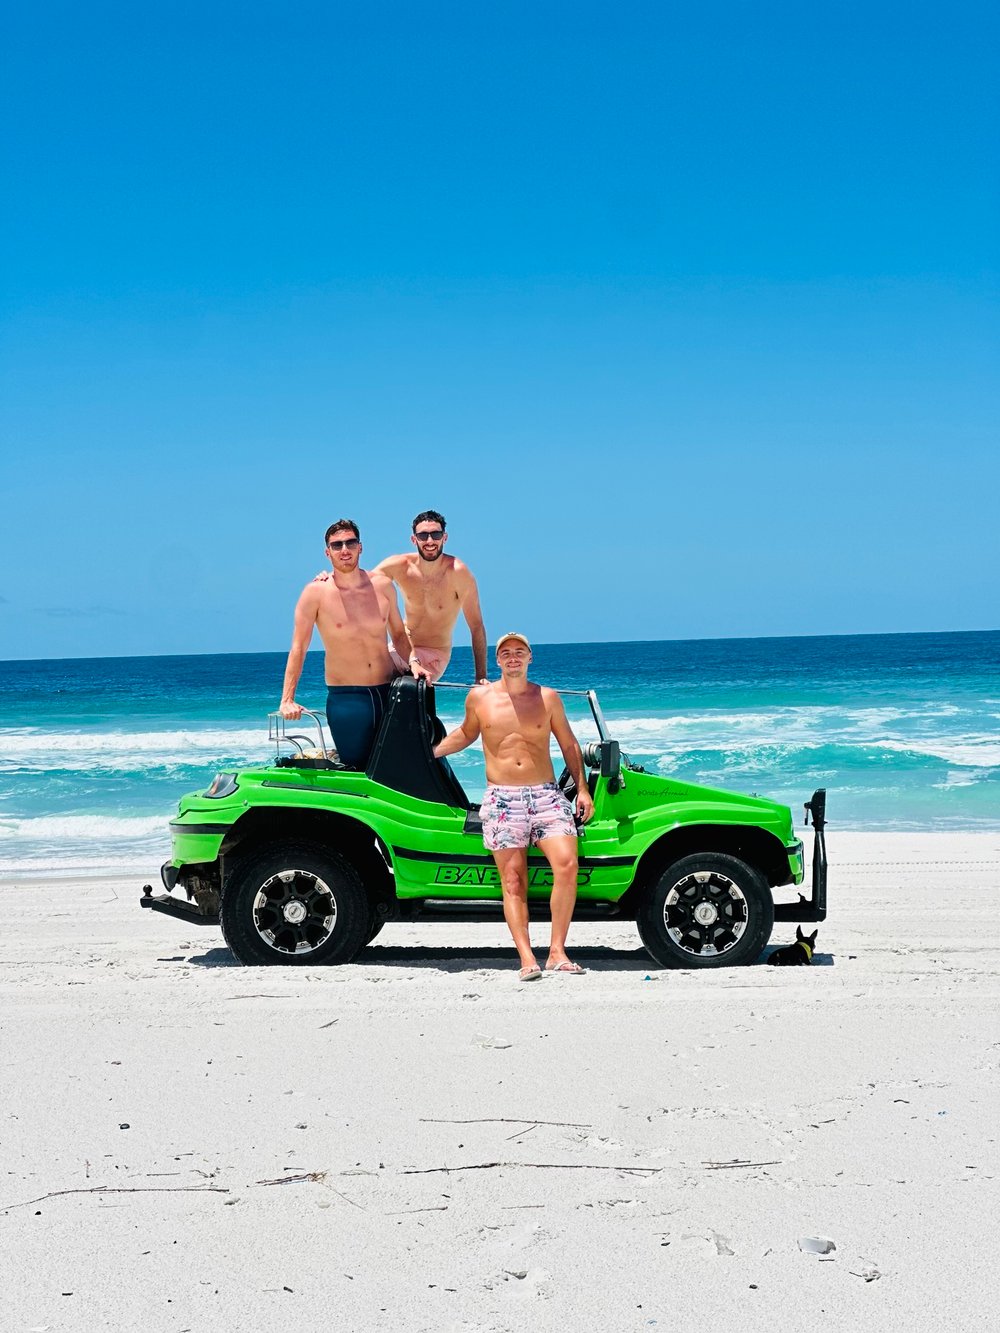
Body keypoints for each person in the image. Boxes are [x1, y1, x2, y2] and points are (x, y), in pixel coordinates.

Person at [433, 632, 594, 980]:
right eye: (506, 653)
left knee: (567, 865)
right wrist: (429, 753)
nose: (513, 657)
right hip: (503, 798)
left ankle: (557, 953)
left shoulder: (547, 697)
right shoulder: (480, 697)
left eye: (519, 651)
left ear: (530, 657)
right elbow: (466, 733)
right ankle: (526, 958)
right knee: (513, 880)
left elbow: (568, 744)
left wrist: (582, 790)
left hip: (546, 795)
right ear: (498, 660)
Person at [279, 519, 430, 768]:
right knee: (357, 768)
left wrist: (414, 662)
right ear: (328, 552)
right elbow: (299, 648)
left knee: (404, 766)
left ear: (360, 547)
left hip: (389, 692)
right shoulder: (315, 593)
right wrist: (287, 699)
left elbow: (398, 635)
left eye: (350, 543)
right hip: (347, 699)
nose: (344, 550)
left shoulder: (383, 586)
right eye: (337, 545)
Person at [315, 510, 488, 683]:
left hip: (434, 655)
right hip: (401, 649)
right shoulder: (400, 566)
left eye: (435, 534)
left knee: (396, 683)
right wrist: (331, 577)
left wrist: (480, 678)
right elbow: (362, 582)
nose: (429, 541)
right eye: (423, 536)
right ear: (414, 539)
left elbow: (476, 626)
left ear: (445, 537)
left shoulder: (459, 573)